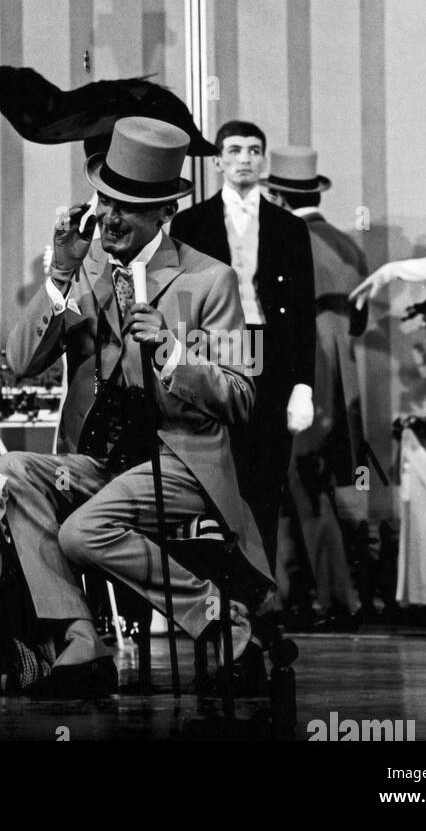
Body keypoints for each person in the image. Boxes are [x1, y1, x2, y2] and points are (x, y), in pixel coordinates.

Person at [0, 117, 271, 698]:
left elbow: (243, 396)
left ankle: (220, 619)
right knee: (9, 472)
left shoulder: (209, 280)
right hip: (97, 460)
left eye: (128, 207)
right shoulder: (85, 267)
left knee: (82, 533)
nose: (110, 218)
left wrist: (174, 353)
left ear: (163, 213)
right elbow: (20, 361)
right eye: (105, 200)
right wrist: (60, 276)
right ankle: (80, 638)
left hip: (178, 464)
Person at [168, 120, 317, 566]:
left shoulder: (289, 228)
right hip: (217, 350)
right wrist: (184, 371)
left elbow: (303, 310)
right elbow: (183, 303)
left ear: (264, 161)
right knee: (216, 473)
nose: (244, 159)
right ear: (217, 162)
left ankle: (261, 598)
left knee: (266, 475)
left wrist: (303, 385)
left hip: (269, 350)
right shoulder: (191, 223)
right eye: (234, 150)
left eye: (254, 150)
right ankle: (220, 594)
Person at [262, 147, 365, 626]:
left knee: (299, 487)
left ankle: (329, 600)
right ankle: (301, 596)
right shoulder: (349, 246)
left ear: (277, 195)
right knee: (307, 486)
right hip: (345, 384)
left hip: (302, 374)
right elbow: (360, 323)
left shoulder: (283, 239)